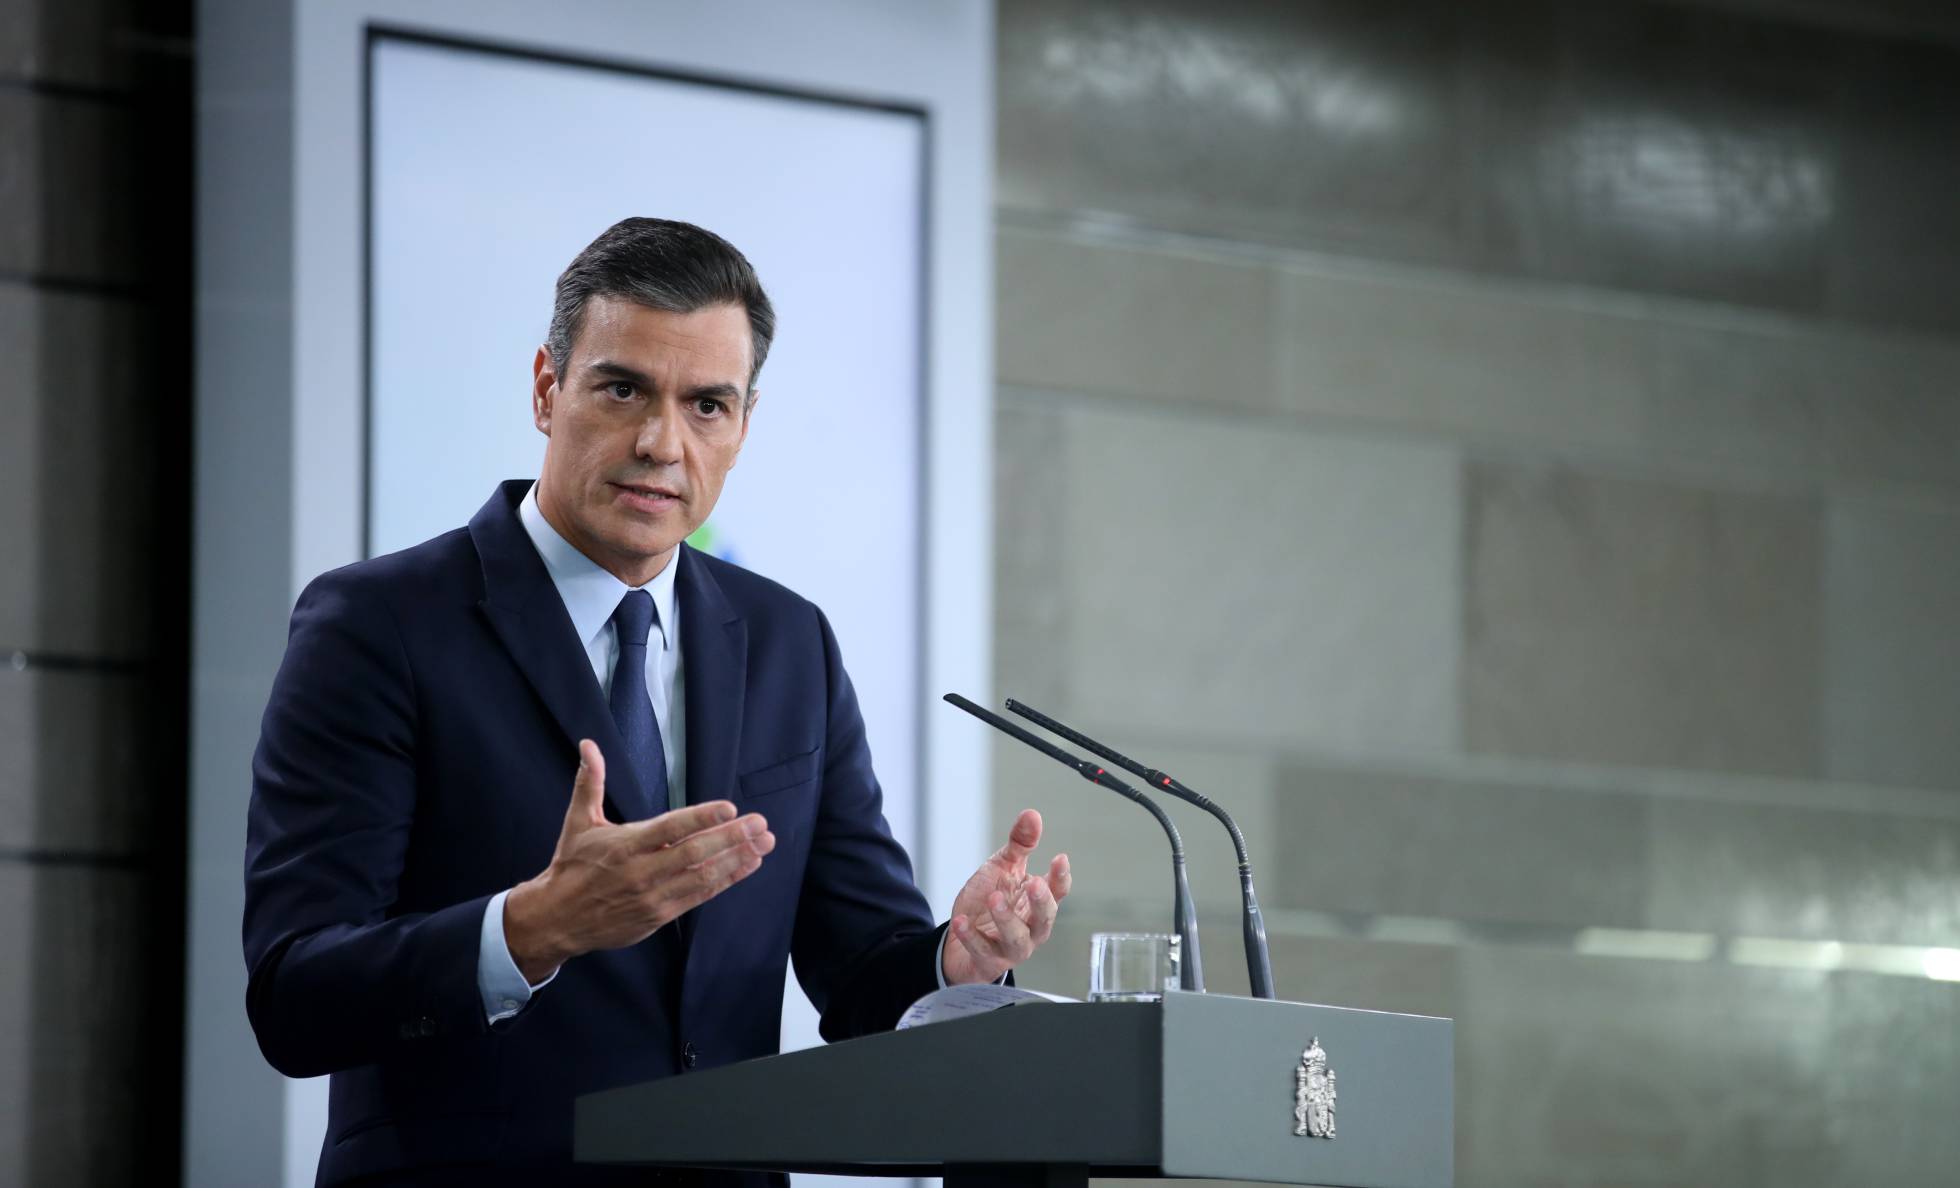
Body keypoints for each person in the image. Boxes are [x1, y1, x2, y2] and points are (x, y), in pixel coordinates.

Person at [242, 218, 1072, 1186]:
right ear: (548, 389)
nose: (659, 442)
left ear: (745, 424)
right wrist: (536, 925)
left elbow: (860, 974)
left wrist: (955, 966)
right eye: (622, 387)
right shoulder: (378, 623)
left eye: (707, 405)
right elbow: (296, 995)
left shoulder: (788, 642)